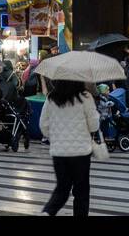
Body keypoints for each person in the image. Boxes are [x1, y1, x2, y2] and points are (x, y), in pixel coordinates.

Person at [39, 79, 101, 216]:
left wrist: (55, 137)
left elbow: (43, 125)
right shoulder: (85, 96)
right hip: (81, 153)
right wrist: (95, 115)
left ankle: (48, 212)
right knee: (81, 191)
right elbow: (94, 126)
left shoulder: (51, 97)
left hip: (59, 153)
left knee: (62, 189)